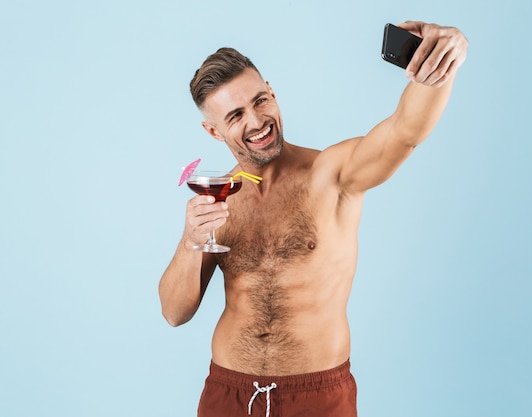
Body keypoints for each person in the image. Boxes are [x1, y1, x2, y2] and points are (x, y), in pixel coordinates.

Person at [159, 20, 468, 417]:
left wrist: (444, 61)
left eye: (259, 101)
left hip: (317, 397)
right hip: (228, 394)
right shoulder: (219, 198)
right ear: (213, 130)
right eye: (235, 116)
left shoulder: (331, 174)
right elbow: (174, 312)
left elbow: (404, 132)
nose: (256, 122)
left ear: (272, 92)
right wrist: (190, 242)